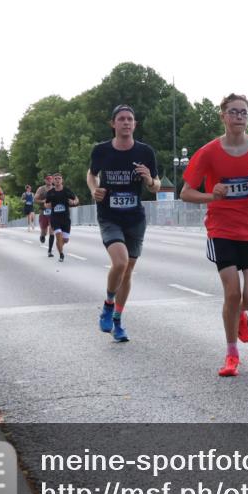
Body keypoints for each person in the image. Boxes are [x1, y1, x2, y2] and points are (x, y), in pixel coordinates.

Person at [181, 93, 248, 377]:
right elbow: (185, 192)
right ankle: (231, 355)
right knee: (232, 293)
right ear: (223, 116)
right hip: (221, 229)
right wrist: (212, 195)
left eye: (244, 112)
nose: (239, 117)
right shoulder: (209, 152)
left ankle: (240, 315)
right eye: (233, 112)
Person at [88, 104, 161, 343]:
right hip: (109, 215)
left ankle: (117, 320)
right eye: (121, 119)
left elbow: (156, 185)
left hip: (135, 217)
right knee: (119, 263)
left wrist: (149, 179)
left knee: (128, 271)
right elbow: (91, 174)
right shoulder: (101, 150)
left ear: (135, 124)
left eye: (130, 119)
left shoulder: (145, 152)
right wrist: (94, 189)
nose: (126, 122)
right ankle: (108, 305)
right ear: (113, 124)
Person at [44, 173, 79, 262]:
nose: (57, 180)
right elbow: (46, 203)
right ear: (53, 181)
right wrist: (47, 205)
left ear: (62, 180)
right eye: (55, 179)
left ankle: (59, 246)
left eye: (59, 178)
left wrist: (74, 203)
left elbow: (76, 199)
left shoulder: (67, 191)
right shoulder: (50, 192)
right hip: (55, 218)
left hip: (65, 219)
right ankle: (61, 254)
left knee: (65, 240)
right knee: (58, 235)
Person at [35, 175, 55, 247]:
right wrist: (43, 201)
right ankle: (42, 235)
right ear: (45, 180)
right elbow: (35, 199)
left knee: (52, 228)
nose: (49, 180)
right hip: (43, 211)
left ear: (52, 180)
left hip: (53, 211)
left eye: (50, 179)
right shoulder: (41, 189)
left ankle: (50, 249)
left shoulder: (55, 188)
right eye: (47, 179)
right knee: (44, 231)